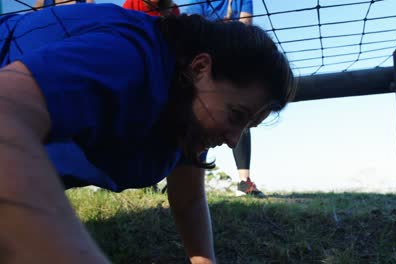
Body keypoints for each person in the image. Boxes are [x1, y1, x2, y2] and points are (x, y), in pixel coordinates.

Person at [0, 3, 294, 263]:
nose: (233, 140)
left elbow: (188, 200)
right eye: (236, 116)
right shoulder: (128, 57)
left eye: (247, 127)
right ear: (200, 67)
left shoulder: (190, 108)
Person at [185, 0, 264, 197]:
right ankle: (187, 178)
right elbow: (193, 26)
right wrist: (227, 28)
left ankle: (244, 182)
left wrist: (223, 28)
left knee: (240, 116)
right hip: (202, 58)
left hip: (233, 59)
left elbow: (244, 29)